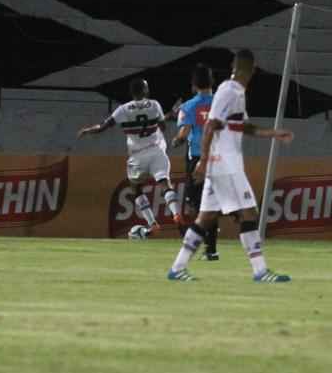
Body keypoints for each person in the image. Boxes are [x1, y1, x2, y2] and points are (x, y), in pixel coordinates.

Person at [166, 49, 293, 283]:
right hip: (225, 164)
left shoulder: (237, 92)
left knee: (204, 218)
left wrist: (272, 133)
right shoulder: (228, 91)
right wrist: (203, 162)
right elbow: (210, 126)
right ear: (251, 68)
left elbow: (242, 126)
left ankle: (177, 268)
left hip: (221, 164)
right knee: (249, 213)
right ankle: (260, 271)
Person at [77, 78, 180, 238]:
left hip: (137, 156)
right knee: (164, 183)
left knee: (135, 188)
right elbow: (163, 127)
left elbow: (102, 127)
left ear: (132, 93)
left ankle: (152, 223)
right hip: (156, 151)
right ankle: (176, 213)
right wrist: (168, 116)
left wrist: (88, 130)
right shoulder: (154, 104)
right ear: (145, 91)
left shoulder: (123, 110)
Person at [171, 63, 217, 258]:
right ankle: (211, 249)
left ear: (193, 84)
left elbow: (183, 133)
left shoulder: (188, 106)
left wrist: (175, 140)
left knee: (194, 205)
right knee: (211, 203)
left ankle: (193, 244)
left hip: (197, 158)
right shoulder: (221, 103)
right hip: (219, 158)